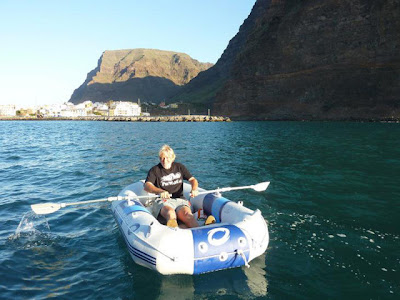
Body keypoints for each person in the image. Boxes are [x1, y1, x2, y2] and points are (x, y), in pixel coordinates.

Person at [144, 145, 200, 228]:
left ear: (173, 158)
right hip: (163, 201)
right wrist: (160, 191)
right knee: (171, 213)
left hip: (180, 200)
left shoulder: (180, 167)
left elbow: (193, 180)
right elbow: (147, 186)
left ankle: (199, 232)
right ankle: (174, 233)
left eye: (167, 158)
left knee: (188, 215)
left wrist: (194, 189)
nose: (164, 160)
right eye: (162, 158)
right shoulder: (155, 170)